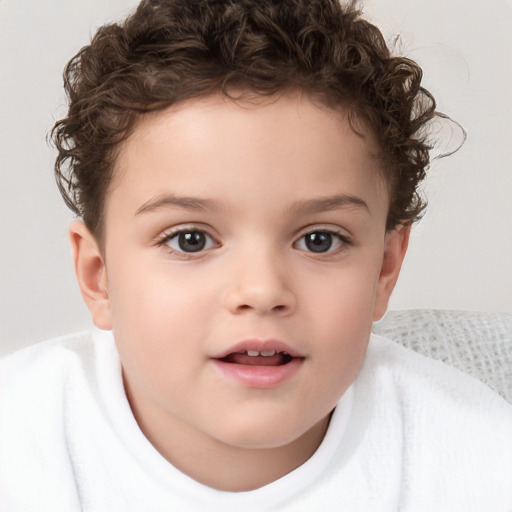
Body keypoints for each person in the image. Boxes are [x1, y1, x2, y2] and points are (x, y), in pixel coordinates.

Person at [0, 0, 510, 510]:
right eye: (190, 239)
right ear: (98, 277)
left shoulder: (475, 462)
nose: (262, 290)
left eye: (319, 239)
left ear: (384, 269)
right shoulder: (22, 450)